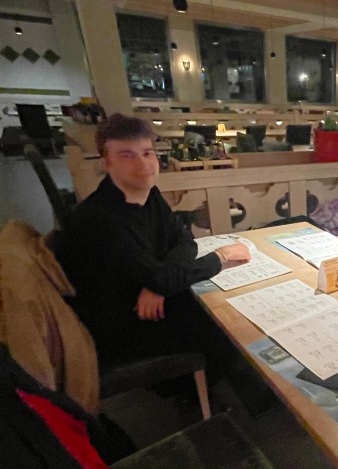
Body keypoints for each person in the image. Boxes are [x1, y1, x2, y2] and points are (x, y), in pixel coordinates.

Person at [55, 114, 249, 369]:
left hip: (143, 298)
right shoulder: (100, 218)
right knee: (226, 327)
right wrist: (221, 257)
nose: (143, 164)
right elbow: (164, 274)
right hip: (119, 328)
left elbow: (185, 241)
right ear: (107, 163)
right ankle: (197, 388)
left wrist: (157, 285)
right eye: (127, 155)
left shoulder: (148, 193)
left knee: (225, 307)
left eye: (147, 153)